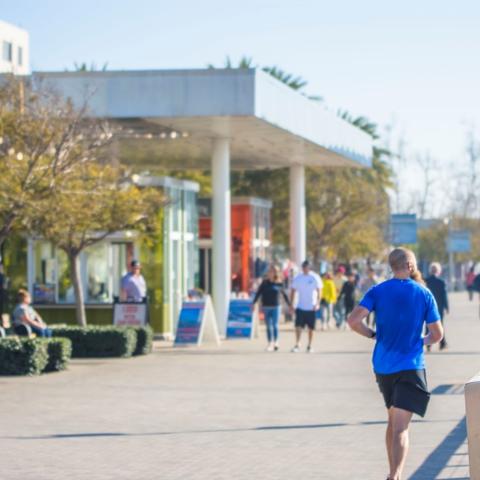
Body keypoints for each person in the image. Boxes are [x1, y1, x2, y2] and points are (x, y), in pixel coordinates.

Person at [347, 248, 443, 480]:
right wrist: (421, 341)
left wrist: (372, 335)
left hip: (383, 366)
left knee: (392, 421)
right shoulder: (423, 293)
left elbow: (353, 320)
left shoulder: (377, 291)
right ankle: (396, 475)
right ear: (410, 266)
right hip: (411, 366)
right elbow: (437, 335)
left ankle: (393, 472)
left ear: (392, 266)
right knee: (401, 427)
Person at [253, 265, 291, 351]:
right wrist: (254, 302)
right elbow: (258, 292)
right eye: (269, 271)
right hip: (266, 306)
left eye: (272, 272)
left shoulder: (279, 283)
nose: (270, 273)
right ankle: (270, 343)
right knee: (268, 326)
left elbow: (284, 295)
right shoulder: (264, 282)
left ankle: (276, 342)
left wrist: (289, 305)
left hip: (276, 306)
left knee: (275, 325)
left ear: (276, 273)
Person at [289, 260, 322, 353]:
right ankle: (297, 344)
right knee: (298, 327)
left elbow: (319, 290)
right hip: (300, 306)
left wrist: (318, 303)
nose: (304, 269)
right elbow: (293, 290)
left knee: (311, 328)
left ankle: (310, 345)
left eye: (306, 267)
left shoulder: (315, 277)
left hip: (311, 307)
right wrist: (291, 304)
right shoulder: (298, 278)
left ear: (309, 268)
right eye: (303, 267)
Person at [426, 262, 449, 350]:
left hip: (427, 307)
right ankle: (442, 344)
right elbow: (444, 296)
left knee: (428, 326)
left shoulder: (426, 281)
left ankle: (428, 344)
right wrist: (447, 307)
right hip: (438, 307)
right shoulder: (441, 282)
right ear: (438, 271)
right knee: (440, 325)